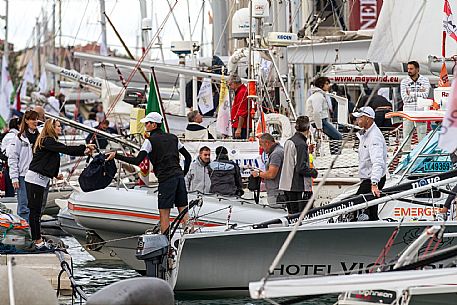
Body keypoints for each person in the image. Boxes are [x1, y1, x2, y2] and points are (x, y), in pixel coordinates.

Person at [108, 112, 192, 234]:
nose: (146, 125)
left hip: (166, 179)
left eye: (147, 123)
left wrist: (117, 156)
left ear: (154, 125)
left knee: (164, 214)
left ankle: (165, 243)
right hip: (178, 177)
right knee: (183, 210)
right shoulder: (173, 138)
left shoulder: (150, 141)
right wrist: (183, 174)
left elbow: (137, 161)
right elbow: (188, 157)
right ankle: (190, 237)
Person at [26, 119, 95, 249]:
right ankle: (37, 240)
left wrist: (55, 174)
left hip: (40, 180)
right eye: (58, 126)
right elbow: (65, 149)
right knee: (34, 211)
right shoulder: (47, 141)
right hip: (35, 179)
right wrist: (84, 148)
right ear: (51, 128)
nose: (60, 129)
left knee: (37, 211)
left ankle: (36, 239)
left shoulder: (49, 142)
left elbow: (45, 161)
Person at [352, 106, 388, 221]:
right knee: (372, 209)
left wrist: (374, 183)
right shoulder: (366, 133)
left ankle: (363, 226)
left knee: (356, 204)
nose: (357, 121)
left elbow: (378, 161)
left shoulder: (374, 137)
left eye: (359, 118)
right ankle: (373, 223)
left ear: (368, 119)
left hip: (373, 179)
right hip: (369, 178)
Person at [279, 116, 317, 215]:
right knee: (303, 217)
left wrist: (307, 152)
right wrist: (313, 172)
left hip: (287, 186)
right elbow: (301, 168)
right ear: (308, 129)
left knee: (292, 216)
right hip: (298, 187)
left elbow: (292, 161)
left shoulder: (289, 141)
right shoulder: (301, 144)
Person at [7, 111, 39, 221]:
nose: (35, 122)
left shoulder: (40, 137)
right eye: (33, 119)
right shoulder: (19, 138)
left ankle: (34, 233)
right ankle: (24, 233)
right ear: (26, 120)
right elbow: (12, 158)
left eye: (36, 119)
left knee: (36, 207)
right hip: (23, 176)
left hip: (37, 176)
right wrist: (14, 177)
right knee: (24, 207)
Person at [305, 77, 342, 154]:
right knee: (338, 136)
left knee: (334, 136)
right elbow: (316, 112)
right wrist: (319, 127)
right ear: (321, 85)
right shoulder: (318, 96)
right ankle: (335, 155)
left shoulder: (319, 95)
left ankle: (334, 154)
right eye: (327, 84)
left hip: (321, 121)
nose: (329, 85)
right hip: (321, 121)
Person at [400, 61, 431, 151]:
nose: (409, 71)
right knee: (406, 137)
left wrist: (411, 93)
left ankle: (421, 156)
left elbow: (425, 95)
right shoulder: (404, 82)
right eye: (408, 69)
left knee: (422, 137)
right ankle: (406, 158)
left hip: (421, 112)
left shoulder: (425, 80)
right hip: (408, 113)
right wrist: (419, 94)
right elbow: (405, 98)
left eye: (411, 69)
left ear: (417, 69)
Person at [251, 133, 284, 207]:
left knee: (276, 215)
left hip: (276, 194)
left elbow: (271, 175)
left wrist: (258, 174)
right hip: (279, 193)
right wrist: (263, 174)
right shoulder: (279, 150)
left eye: (261, 145)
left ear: (267, 143)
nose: (261, 148)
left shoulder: (276, 154)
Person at [1, 117, 22, 197]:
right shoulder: (12, 136)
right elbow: (11, 153)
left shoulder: (10, 135)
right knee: (11, 193)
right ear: (18, 125)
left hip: (9, 167)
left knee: (11, 192)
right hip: (12, 166)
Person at [228, 74, 250, 139]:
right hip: (240, 125)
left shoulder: (242, 92)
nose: (230, 87)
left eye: (230, 85)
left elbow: (242, 112)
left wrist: (239, 128)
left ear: (235, 83)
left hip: (242, 127)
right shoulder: (241, 91)